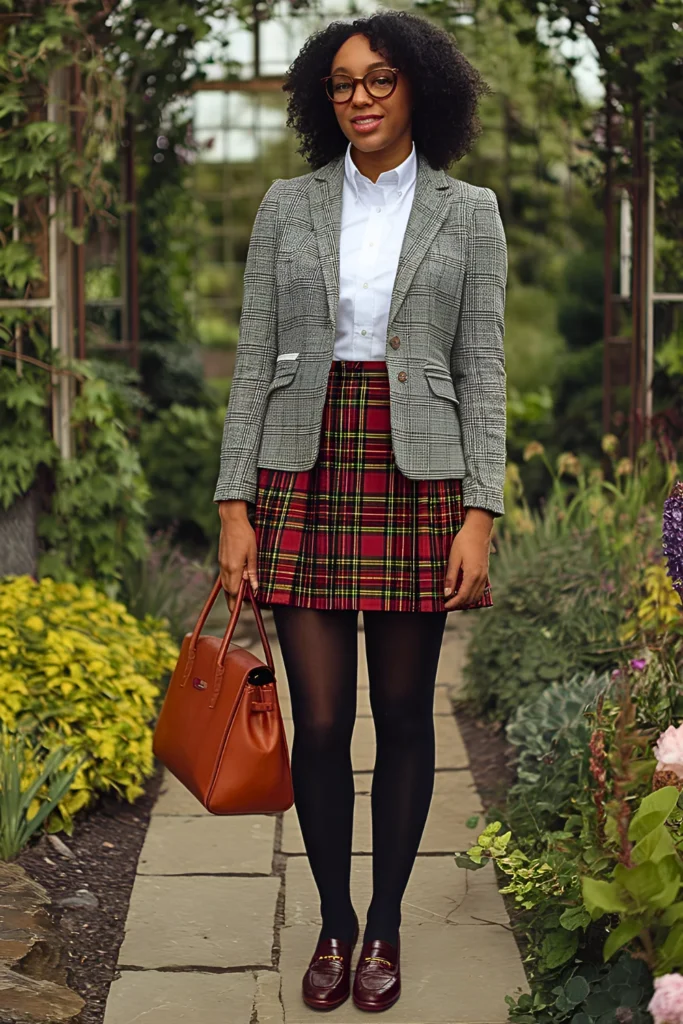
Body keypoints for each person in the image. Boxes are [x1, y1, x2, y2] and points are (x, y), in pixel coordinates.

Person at [214, 9, 507, 1013]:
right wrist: (232, 505)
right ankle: (333, 924)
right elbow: (252, 363)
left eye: (379, 79)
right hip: (302, 467)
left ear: (418, 88)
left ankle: (384, 921)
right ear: (320, 98)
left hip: (417, 475)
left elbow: (484, 371)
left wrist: (480, 511)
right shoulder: (284, 207)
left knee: (403, 716)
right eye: (341, 84)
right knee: (323, 720)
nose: (361, 98)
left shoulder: (467, 212)